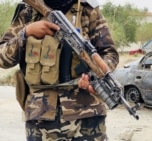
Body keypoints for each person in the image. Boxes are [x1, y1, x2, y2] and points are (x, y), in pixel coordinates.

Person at [0, 0, 119, 140]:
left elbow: (110, 53)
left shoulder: (88, 10)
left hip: (88, 117)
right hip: (41, 119)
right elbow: (3, 58)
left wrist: (96, 75)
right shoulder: (28, 11)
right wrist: (26, 33)